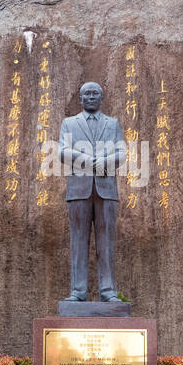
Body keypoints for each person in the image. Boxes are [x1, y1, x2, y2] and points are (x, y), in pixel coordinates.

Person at [59, 82, 127, 302]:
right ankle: (78, 291)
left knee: (106, 242)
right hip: (78, 189)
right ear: (80, 99)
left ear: (101, 98)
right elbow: (63, 152)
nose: (90, 97)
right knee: (78, 241)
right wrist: (89, 160)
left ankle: (108, 291)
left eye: (94, 93)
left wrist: (104, 161)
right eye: (86, 94)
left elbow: (122, 153)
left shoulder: (112, 123)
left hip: (106, 190)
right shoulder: (69, 124)